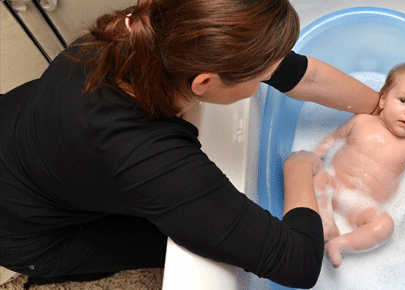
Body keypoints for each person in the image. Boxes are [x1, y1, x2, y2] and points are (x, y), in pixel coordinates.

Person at [0, 1, 383, 289]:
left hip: (19, 128)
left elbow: (304, 75)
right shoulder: (151, 159)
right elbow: (298, 263)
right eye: (262, 74)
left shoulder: (150, 32)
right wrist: (299, 167)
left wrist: (379, 107)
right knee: (177, 243)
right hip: (25, 232)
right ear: (204, 84)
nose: (272, 75)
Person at [311, 57, 405, 268]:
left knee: (385, 226)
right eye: (403, 100)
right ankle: (326, 223)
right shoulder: (361, 120)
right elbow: (335, 138)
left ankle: (339, 243)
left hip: (364, 208)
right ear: (382, 100)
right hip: (334, 185)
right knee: (317, 175)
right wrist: (318, 152)